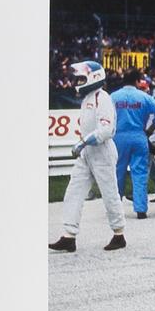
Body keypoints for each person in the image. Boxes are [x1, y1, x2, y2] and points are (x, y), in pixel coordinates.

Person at [50, 61, 127, 252]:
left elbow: (106, 130)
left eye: (82, 77)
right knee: (73, 192)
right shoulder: (86, 99)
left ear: (94, 77)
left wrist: (82, 142)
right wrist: (83, 144)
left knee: (109, 194)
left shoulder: (103, 98)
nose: (79, 81)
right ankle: (69, 236)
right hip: (86, 153)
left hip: (102, 152)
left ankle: (119, 234)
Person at [110, 73, 155, 219]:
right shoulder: (144, 97)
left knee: (118, 172)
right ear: (137, 81)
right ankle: (141, 209)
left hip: (119, 137)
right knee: (140, 173)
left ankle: (115, 209)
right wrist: (150, 130)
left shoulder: (113, 97)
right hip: (139, 136)